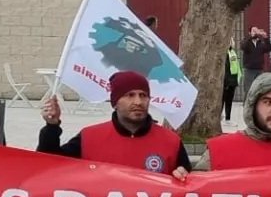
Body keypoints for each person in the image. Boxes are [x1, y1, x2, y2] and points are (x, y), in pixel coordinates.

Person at [38, 70, 191, 174]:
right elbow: (48, 166)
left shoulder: (171, 142)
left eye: (143, 95)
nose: (138, 102)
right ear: (115, 102)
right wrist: (52, 127)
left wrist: (183, 176)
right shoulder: (89, 138)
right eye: (130, 95)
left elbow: (190, 186)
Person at [223, 41, 240, 122]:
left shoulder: (231, 52)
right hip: (228, 80)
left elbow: (235, 66)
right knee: (226, 101)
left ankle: (227, 117)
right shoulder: (229, 53)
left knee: (227, 100)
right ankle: (226, 118)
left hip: (230, 80)